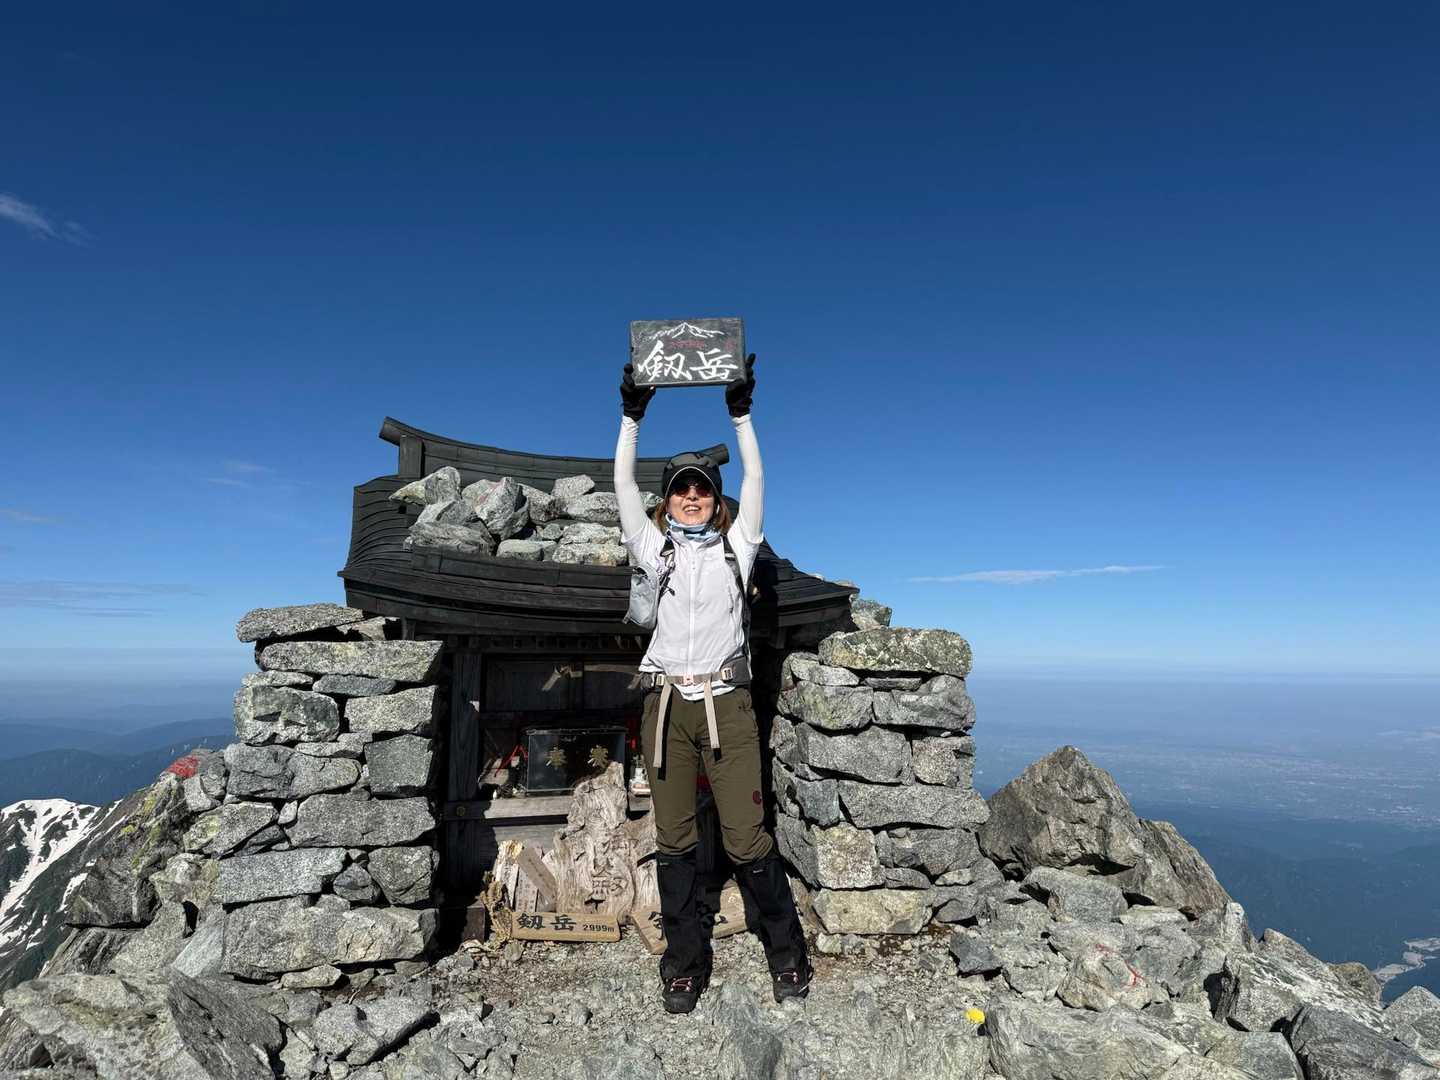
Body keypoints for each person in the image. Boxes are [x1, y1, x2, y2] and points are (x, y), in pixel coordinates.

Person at [614, 354, 811, 1014]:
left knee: (746, 838)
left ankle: (786, 954)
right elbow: (621, 483)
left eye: (701, 489)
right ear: (666, 501)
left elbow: (756, 477)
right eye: (680, 490)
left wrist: (741, 413)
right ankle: (683, 964)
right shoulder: (654, 550)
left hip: (727, 702)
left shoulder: (739, 546)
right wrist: (631, 417)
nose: (692, 496)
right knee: (674, 842)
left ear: (716, 501)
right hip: (667, 705)